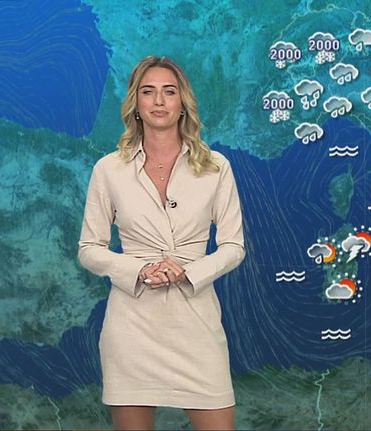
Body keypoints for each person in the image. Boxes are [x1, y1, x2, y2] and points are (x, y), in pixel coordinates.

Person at [77, 55, 245, 430]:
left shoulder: (216, 167)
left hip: (196, 324)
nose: (158, 101)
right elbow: (89, 249)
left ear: (182, 102)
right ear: (135, 103)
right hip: (131, 328)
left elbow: (233, 246)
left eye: (169, 92)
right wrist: (140, 269)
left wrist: (188, 272)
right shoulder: (109, 169)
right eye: (147, 92)